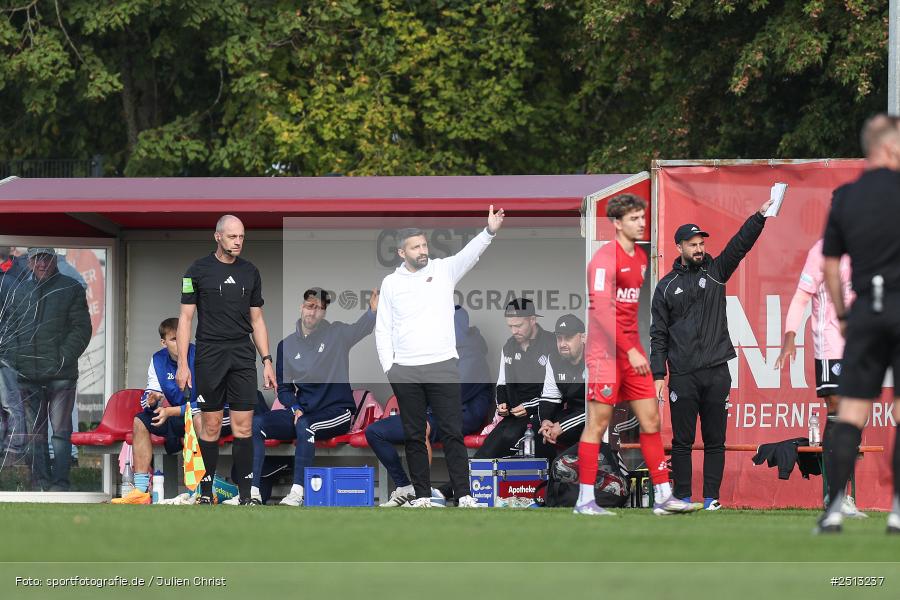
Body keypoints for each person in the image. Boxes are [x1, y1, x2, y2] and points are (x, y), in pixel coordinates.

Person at [576, 194, 698, 516]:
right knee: (599, 422)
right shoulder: (604, 260)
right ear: (616, 223)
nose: (641, 223)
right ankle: (584, 501)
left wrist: (633, 349)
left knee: (651, 419)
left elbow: (627, 313)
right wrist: (629, 349)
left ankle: (663, 497)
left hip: (632, 353)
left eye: (643, 218)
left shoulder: (642, 259)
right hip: (605, 354)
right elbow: (601, 312)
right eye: (634, 218)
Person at [649, 195, 772, 510]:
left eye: (701, 242)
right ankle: (683, 497)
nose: (699, 248)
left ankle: (712, 499)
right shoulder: (665, 287)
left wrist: (758, 217)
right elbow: (658, 334)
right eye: (692, 244)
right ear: (679, 247)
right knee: (682, 442)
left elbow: (739, 246)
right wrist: (658, 375)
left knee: (716, 440)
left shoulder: (716, 271)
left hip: (717, 370)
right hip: (684, 374)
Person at [375, 206, 503, 508]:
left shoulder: (443, 270)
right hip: (405, 370)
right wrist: (390, 368)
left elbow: (468, 256)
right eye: (416, 247)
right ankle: (420, 496)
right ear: (401, 252)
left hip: (443, 365)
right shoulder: (391, 283)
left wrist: (489, 231)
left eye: (424, 244)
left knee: (452, 432)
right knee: (415, 435)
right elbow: (382, 329)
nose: (423, 250)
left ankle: (465, 495)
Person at [816, 114, 900, 534]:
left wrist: (844, 315)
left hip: (865, 309)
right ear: (889, 146)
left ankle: (832, 510)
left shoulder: (845, 198)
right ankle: (898, 511)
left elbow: (830, 265)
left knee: (849, 414)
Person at [176, 215, 277, 506]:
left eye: (242, 237)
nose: (238, 242)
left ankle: (246, 496)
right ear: (218, 237)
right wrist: (183, 363)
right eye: (233, 237)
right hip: (209, 354)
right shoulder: (196, 270)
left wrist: (267, 360)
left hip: (242, 354)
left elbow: (257, 319)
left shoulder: (251, 272)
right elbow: (185, 317)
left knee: (243, 425)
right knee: (211, 425)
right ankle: (205, 492)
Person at [247, 287, 377, 506]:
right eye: (310, 306)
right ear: (302, 307)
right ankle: (253, 492)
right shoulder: (286, 346)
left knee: (306, 425)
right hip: (304, 411)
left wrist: (373, 312)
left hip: (338, 412)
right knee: (257, 423)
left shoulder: (337, 333)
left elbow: (360, 329)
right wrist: (295, 406)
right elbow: (285, 390)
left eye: (319, 308)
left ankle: (298, 492)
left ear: (324, 313)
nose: (313, 312)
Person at [775, 239, 865, 518]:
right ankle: (834, 494)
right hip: (829, 347)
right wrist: (789, 337)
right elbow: (801, 297)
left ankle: (842, 495)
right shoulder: (821, 251)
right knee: (838, 412)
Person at [373, 305, 492, 507]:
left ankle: (426, 493)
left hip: (461, 416)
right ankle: (406, 487)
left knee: (421, 428)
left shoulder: (471, 354)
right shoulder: (435, 350)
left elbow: (452, 393)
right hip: (431, 413)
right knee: (375, 432)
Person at [112, 318, 232, 504]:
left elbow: (208, 403)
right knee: (141, 420)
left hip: (216, 415)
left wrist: (171, 411)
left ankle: (207, 488)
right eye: (174, 339)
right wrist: (151, 402)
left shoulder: (202, 356)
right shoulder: (158, 360)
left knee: (200, 418)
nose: (180, 343)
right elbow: (150, 395)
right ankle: (141, 491)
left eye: (183, 337)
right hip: (183, 414)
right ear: (164, 342)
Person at [7, 247, 91, 491]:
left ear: (55, 259)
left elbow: (81, 329)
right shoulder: (18, 289)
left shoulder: (70, 287)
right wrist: (17, 359)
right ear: (29, 261)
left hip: (60, 375)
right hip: (27, 375)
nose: (42, 263)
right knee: (35, 435)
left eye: (46, 257)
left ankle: (61, 484)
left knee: (61, 432)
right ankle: (40, 483)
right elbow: (9, 329)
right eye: (36, 258)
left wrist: (62, 358)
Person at [534, 314, 588, 459]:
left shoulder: (596, 357)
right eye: (559, 338)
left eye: (568, 338)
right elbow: (550, 398)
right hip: (573, 413)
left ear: (583, 337)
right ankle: (551, 477)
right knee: (538, 426)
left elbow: (598, 407)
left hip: (599, 415)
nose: (563, 343)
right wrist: (546, 422)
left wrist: (562, 426)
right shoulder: (554, 359)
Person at [0, 247, 28, 464]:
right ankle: (10, 451)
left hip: (7, 353)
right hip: (8, 351)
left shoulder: (10, 280)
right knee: (9, 403)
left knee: (10, 402)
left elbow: (18, 318)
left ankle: (13, 452)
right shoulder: (10, 279)